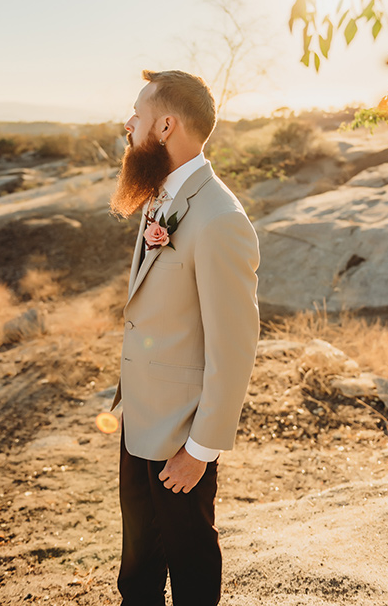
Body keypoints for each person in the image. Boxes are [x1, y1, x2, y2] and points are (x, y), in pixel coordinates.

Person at [109, 69, 260, 606]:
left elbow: (235, 346)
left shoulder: (220, 219)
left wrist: (200, 449)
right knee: (137, 569)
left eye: (138, 114)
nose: (128, 123)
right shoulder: (160, 198)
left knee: (191, 564)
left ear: (166, 124)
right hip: (139, 422)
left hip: (180, 438)